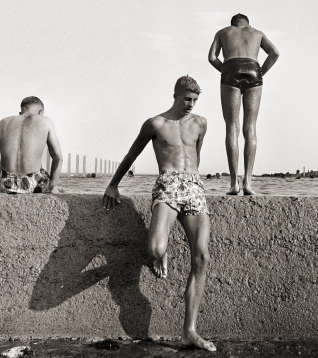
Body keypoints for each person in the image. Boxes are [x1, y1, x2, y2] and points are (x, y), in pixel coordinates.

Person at [102, 76, 216, 352]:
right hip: (167, 184)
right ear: (175, 95)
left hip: (193, 187)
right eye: (186, 99)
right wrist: (114, 184)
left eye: (195, 100)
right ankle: (159, 252)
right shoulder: (156, 124)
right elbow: (133, 153)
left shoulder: (200, 123)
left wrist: (194, 183)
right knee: (154, 249)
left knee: (201, 256)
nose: (190, 104)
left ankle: (189, 331)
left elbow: (196, 157)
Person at [208, 13, 280, 195]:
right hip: (253, 68)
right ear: (247, 24)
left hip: (230, 68)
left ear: (233, 24)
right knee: (251, 127)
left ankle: (234, 183)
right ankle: (248, 182)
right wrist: (260, 72)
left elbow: (212, 57)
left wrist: (224, 70)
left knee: (232, 127)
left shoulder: (223, 32)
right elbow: (275, 53)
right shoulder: (257, 33)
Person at [0, 96, 63, 194]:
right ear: (40, 112)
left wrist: (1, 182)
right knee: (57, 189)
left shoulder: (3, 122)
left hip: (7, 184)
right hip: (34, 184)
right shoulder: (45, 121)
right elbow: (58, 157)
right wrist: (52, 185)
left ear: (20, 113)